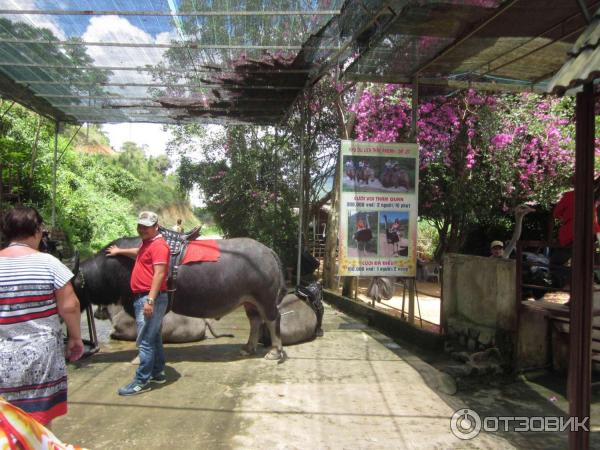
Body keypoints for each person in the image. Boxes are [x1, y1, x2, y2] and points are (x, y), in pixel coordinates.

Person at [0, 205, 84, 428]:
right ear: (37, 231)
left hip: (2, 354)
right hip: (41, 355)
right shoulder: (49, 264)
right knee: (38, 424)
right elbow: (70, 305)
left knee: (5, 423)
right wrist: (75, 338)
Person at [106, 211, 170, 396]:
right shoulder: (148, 243)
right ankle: (158, 373)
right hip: (144, 297)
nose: (142, 229)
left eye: (146, 227)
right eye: (140, 226)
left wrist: (150, 299)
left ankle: (141, 381)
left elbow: (159, 273)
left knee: (145, 342)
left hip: (150, 299)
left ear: (156, 227)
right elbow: (140, 253)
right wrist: (120, 251)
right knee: (154, 336)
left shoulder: (159, 246)